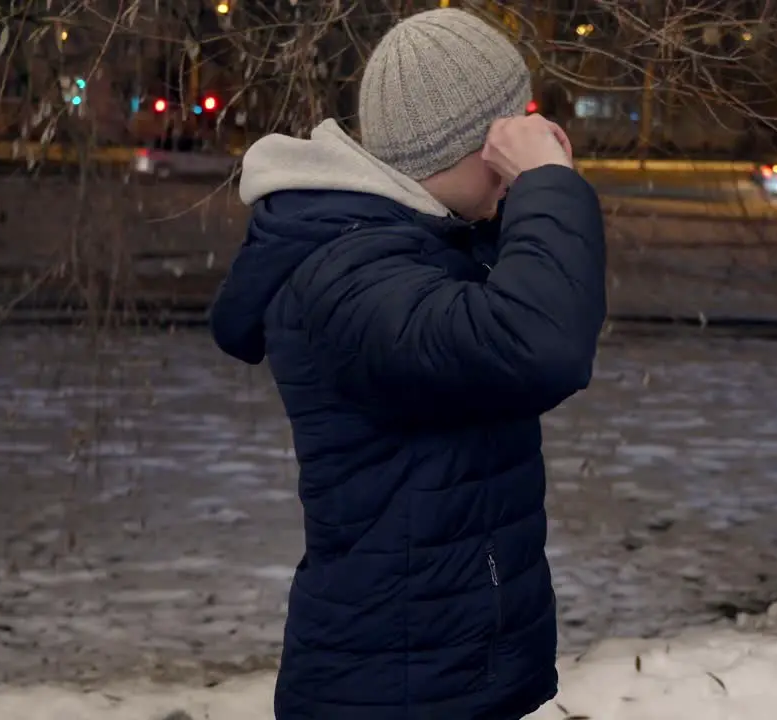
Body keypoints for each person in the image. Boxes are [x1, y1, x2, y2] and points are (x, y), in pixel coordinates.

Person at [208, 7, 607, 720]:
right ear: (479, 142)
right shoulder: (349, 278)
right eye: (513, 125)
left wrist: (523, 199)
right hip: (389, 689)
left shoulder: (422, 246)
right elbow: (542, 346)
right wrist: (548, 183)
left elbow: (539, 308)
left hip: (439, 672)